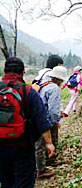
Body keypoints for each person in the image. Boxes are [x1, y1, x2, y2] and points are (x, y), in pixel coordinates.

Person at [0, 57, 55, 188]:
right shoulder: (28, 91)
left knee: (5, 181)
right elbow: (41, 119)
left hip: (1, 146)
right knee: (23, 181)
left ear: (4, 71)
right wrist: (49, 143)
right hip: (23, 146)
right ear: (23, 72)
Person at [35, 65, 67, 178]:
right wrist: (55, 122)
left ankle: (45, 163)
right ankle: (41, 169)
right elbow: (53, 109)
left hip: (38, 116)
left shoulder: (45, 85)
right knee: (44, 143)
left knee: (40, 143)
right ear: (60, 79)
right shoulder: (54, 89)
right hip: (46, 118)